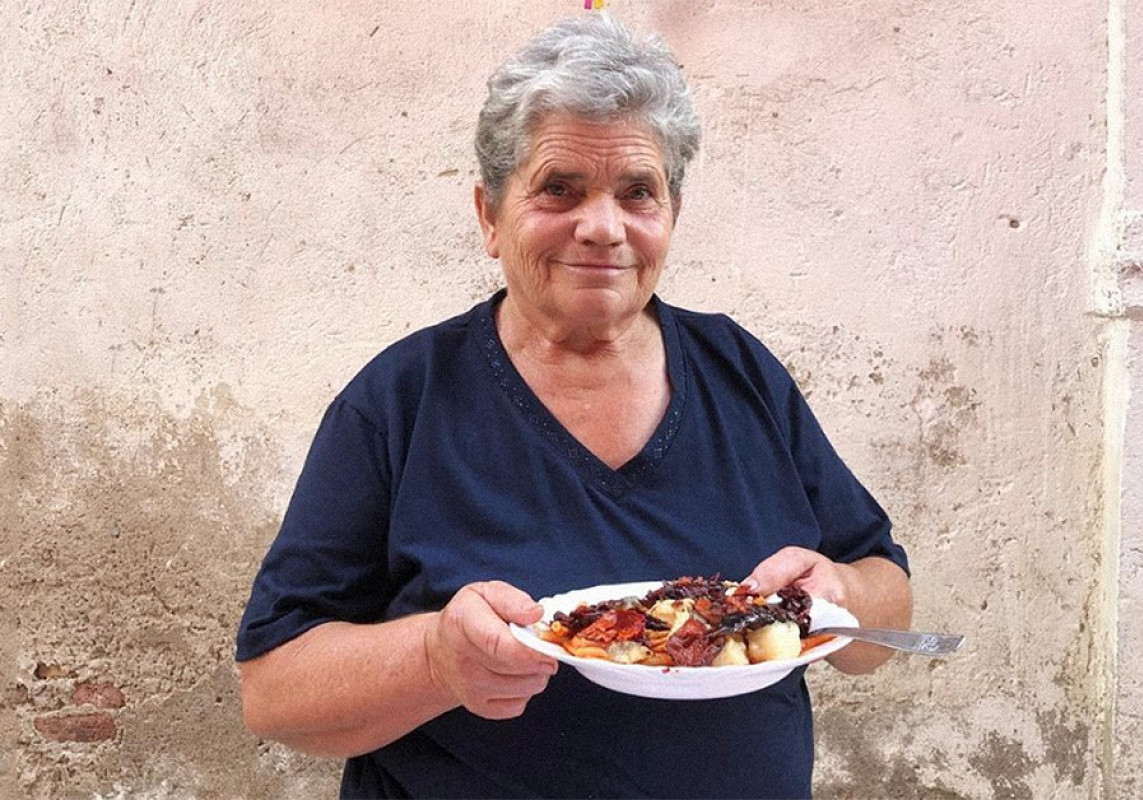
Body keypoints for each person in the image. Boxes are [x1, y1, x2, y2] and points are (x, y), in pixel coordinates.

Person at [236, 12, 911, 799]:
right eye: (560, 189)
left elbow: (884, 613)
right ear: (489, 215)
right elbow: (272, 690)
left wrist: (839, 597)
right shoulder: (401, 402)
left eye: (637, 193)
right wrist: (435, 661)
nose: (602, 227)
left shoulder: (741, 372)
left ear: (671, 214)